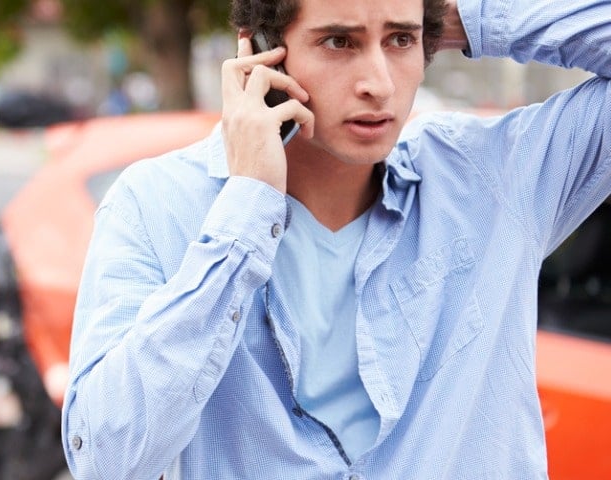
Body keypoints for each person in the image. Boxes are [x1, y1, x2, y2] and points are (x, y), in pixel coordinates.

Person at [63, 0, 610, 477]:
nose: (379, 83)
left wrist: (456, 17)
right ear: (261, 52)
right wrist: (246, 209)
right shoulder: (157, 203)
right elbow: (106, 459)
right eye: (339, 42)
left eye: (400, 41)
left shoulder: (492, 178)